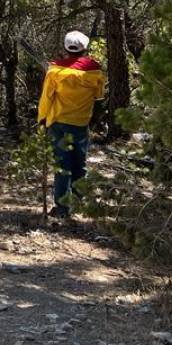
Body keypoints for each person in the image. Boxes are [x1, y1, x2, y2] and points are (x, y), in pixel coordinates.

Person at [37, 31, 106, 219]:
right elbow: (99, 98)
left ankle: (62, 208)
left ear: (66, 48)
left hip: (58, 123)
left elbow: (46, 99)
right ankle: (77, 202)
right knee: (79, 164)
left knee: (62, 166)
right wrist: (96, 120)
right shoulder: (95, 71)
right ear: (85, 48)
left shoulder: (54, 71)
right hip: (81, 124)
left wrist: (42, 120)